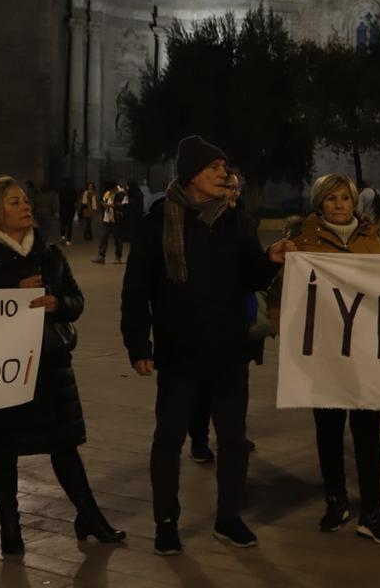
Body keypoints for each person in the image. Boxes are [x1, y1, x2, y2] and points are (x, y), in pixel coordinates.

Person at [121, 135, 293, 555]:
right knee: (169, 438)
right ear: (189, 174)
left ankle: (228, 517)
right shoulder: (159, 220)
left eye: (224, 168)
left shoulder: (235, 220)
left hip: (229, 351)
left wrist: (269, 259)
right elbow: (136, 288)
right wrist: (137, 344)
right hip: (179, 352)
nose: (223, 174)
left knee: (233, 439)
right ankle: (166, 521)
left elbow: (249, 275)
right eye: (213, 168)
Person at [0, 177, 125, 556]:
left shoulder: (50, 255)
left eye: (25, 201)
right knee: (2, 452)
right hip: (2, 370)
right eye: (15, 202)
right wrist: (12, 298)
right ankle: (10, 530)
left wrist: (56, 302)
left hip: (50, 366)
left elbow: (77, 301)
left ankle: (90, 517)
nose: (26, 207)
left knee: (64, 446)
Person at [267, 172, 380, 545]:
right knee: (328, 433)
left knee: (367, 434)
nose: (340, 205)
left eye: (345, 198)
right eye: (332, 199)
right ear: (319, 203)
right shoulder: (302, 243)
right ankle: (336, 500)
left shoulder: (372, 240)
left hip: (366, 357)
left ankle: (371, 510)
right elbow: (279, 294)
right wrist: (289, 333)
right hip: (323, 357)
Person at [188, 168, 258, 463]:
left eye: (238, 188)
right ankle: (199, 440)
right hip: (206, 321)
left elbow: (253, 266)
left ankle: (235, 435)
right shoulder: (202, 222)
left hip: (240, 315)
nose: (235, 193)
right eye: (230, 187)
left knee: (238, 383)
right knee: (203, 386)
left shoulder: (242, 221)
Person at [92, 181, 127, 264]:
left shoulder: (122, 193)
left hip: (116, 220)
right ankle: (101, 256)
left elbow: (124, 206)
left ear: (115, 188)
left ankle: (118, 257)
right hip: (107, 218)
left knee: (117, 239)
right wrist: (103, 205)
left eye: (111, 190)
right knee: (103, 237)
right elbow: (103, 200)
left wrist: (113, 206)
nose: (109, 192)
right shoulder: (108, 192)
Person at [58, 178, 77, 245]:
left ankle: (63, 237)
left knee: (63, 224)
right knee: (69, 225)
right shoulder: (73, 190)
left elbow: (60, 200)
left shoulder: (61, 190)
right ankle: (68, 240)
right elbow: (75, 199)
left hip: (63, 210)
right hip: (71, 210)